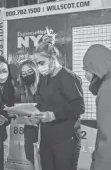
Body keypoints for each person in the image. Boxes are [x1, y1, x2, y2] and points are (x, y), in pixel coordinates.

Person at [31, 34, 85, 170]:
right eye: (36, 64)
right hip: (47, 139)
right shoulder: (44, 79)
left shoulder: (69, 77)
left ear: (53, 58)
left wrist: (53, 115)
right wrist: (34, 114)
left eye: (41, 63)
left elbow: (78, 107)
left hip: (65, 140)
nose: (38, 67)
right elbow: (41, 103)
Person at [17, 60, 40, 167]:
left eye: (30, 72)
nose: (27, 76)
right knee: (30, 158)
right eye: (24, 74)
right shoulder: (21, 90)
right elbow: (19, 113)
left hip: (45, 130)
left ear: (35, 70)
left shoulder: (44, 86)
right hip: (29, 130)